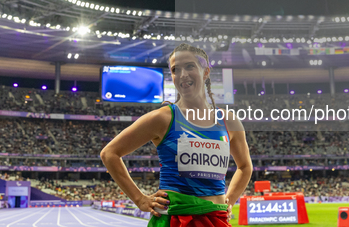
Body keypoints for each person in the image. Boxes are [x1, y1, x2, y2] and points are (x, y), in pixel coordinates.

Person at [101, 43, 252, 226]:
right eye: (175, 69)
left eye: (189, 66)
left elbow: (244, 166)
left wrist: (230, 199)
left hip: (215, 219)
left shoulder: (229, 121)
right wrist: (139, 199)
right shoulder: (162, 118)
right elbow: (109, 153)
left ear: (205, 72)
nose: (182, 74)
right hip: (175, 218)